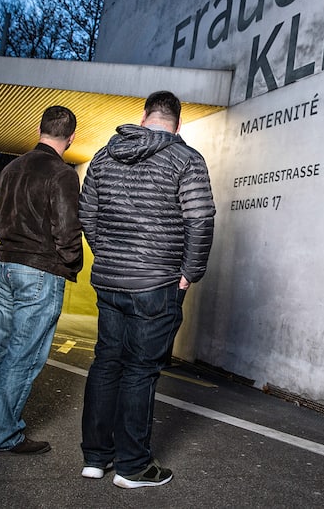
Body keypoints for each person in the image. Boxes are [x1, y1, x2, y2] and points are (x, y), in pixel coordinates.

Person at [79, 90, 216, 488]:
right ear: (177, 123)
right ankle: (133, 466)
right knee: (140, 371)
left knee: (106, 363)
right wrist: (189, 273)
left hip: (110, 279)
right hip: (157, 283)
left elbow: (87, 212)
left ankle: (95, 457)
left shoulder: (104, 157)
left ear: (143, 118)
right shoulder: (185, 159)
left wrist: (105, 253)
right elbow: (201, 219)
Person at [0, 105, 83, 455]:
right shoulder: (62, 175)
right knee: (23, 356)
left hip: (4, 267)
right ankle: (3, 435)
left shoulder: (11, 168)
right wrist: (69, 264)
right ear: (71, 137)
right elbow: (67, 231)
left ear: (40, 129)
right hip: (40, 272)